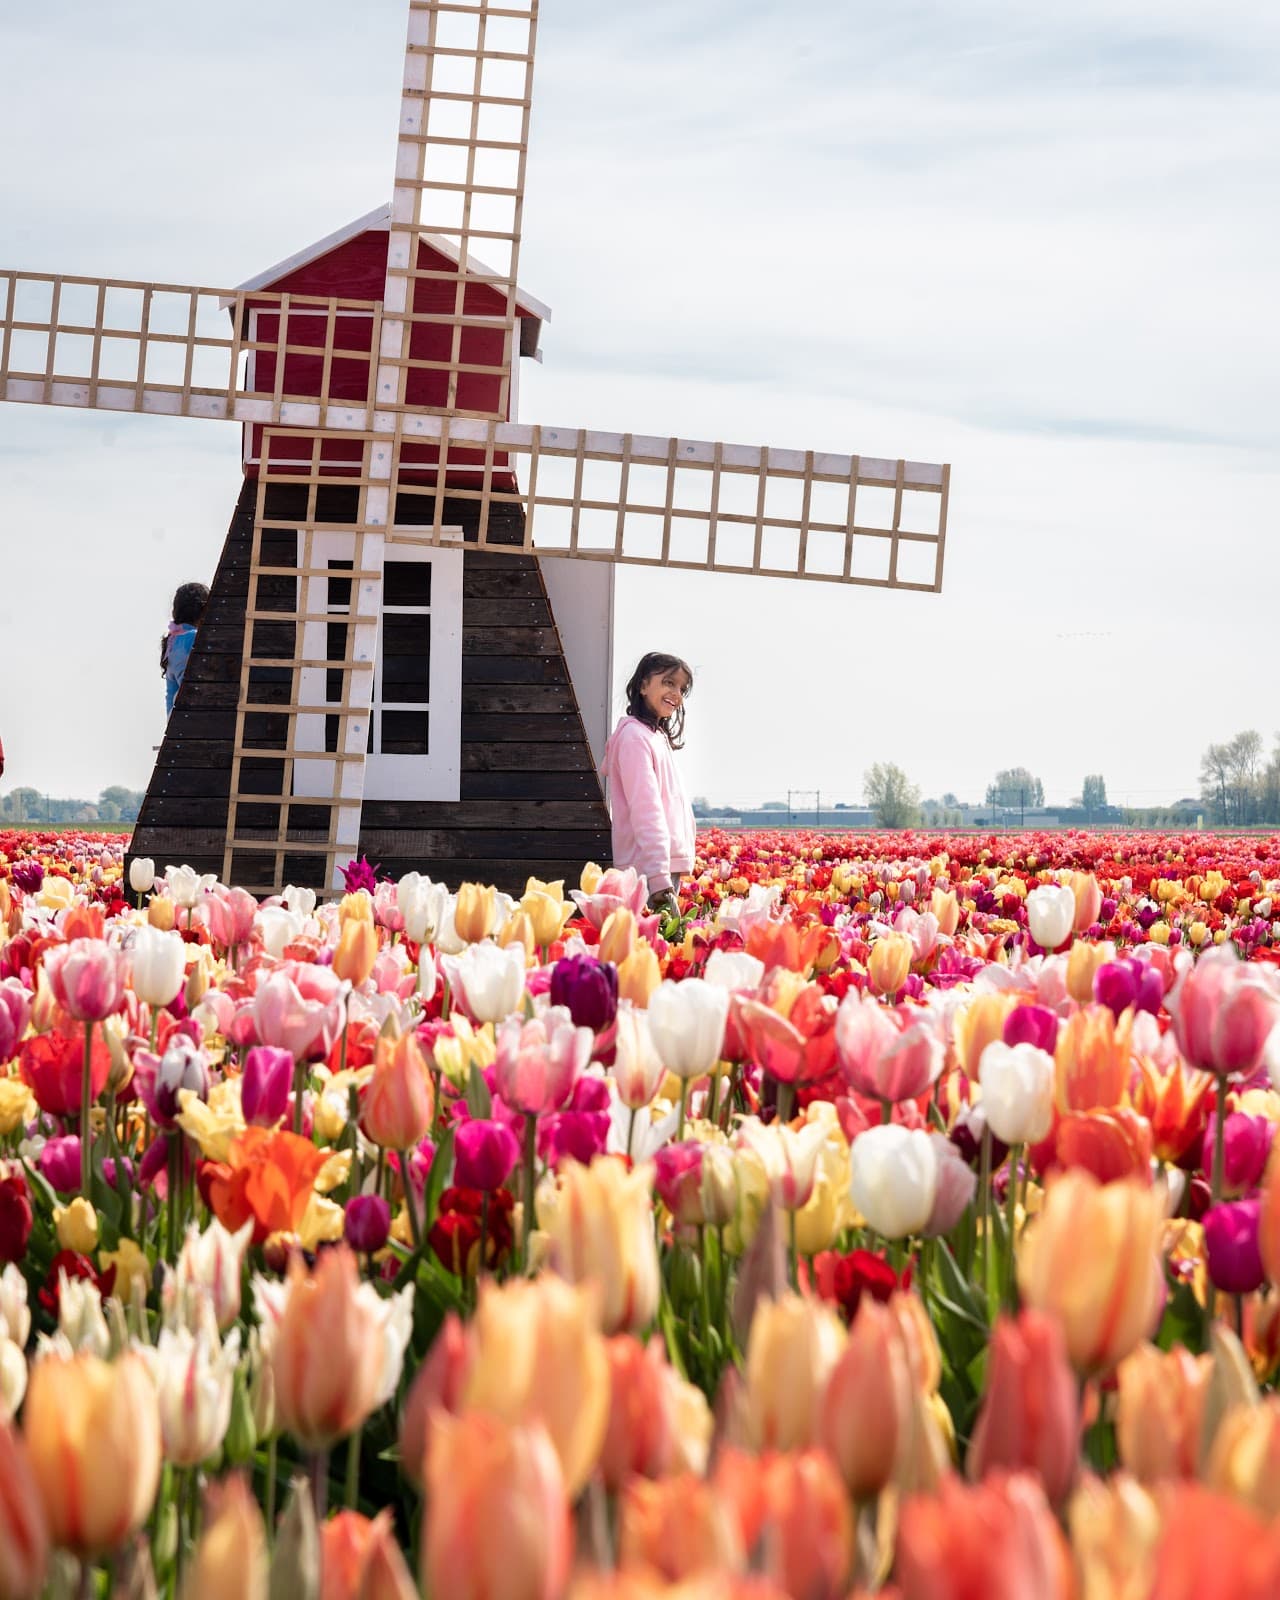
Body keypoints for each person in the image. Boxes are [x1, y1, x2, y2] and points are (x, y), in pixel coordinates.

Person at [600, 651, 696, 916]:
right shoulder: (634, 738)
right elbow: (647, 812)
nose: (677, 693)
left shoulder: (655, 736)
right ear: (643, 686)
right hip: (647, 872)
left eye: (682, 688)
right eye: (668, 682)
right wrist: (658, 879)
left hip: (659, 868)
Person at [161, 582, 209, 715]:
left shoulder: (172, 640)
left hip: (175, 718)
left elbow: (170, 692)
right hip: (193, 713)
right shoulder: (195, 638)